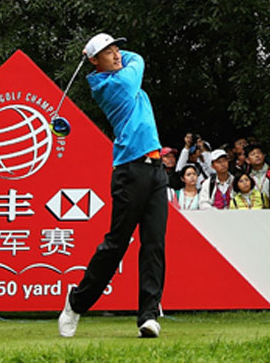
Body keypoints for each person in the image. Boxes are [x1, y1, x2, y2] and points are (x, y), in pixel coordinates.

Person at [59, 33, 167, 339]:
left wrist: (106, 50)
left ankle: (148, 316)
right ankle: (76, 302)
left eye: (118, 49)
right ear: (94, 61)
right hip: (130, 172)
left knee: (154, 245)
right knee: (116, 244)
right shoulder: (113, 85)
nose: (118, 55)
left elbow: (128, 59)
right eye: (108, 53)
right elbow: (138, 59)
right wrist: (111, 55)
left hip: (156, 169)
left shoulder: (120, 75)